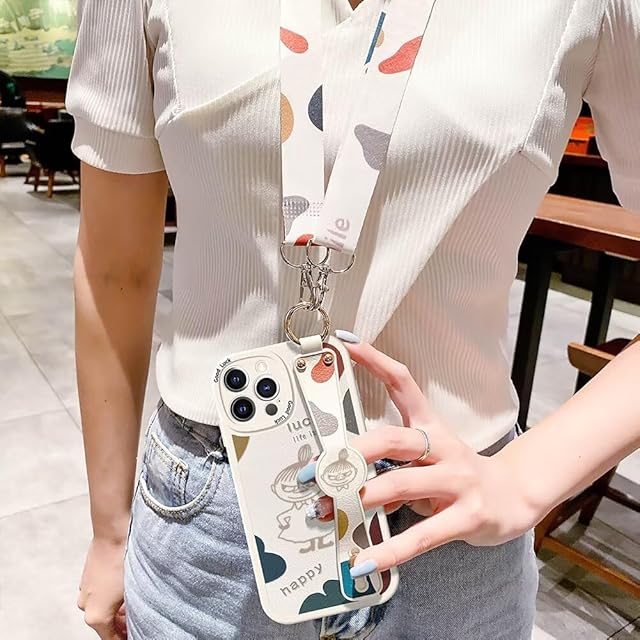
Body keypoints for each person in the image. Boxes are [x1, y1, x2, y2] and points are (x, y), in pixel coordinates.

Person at [67, 0, 640, 639]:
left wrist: (527, 479)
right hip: (214, 528)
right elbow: (113, 269)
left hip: (452, 536)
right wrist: (109, 531)